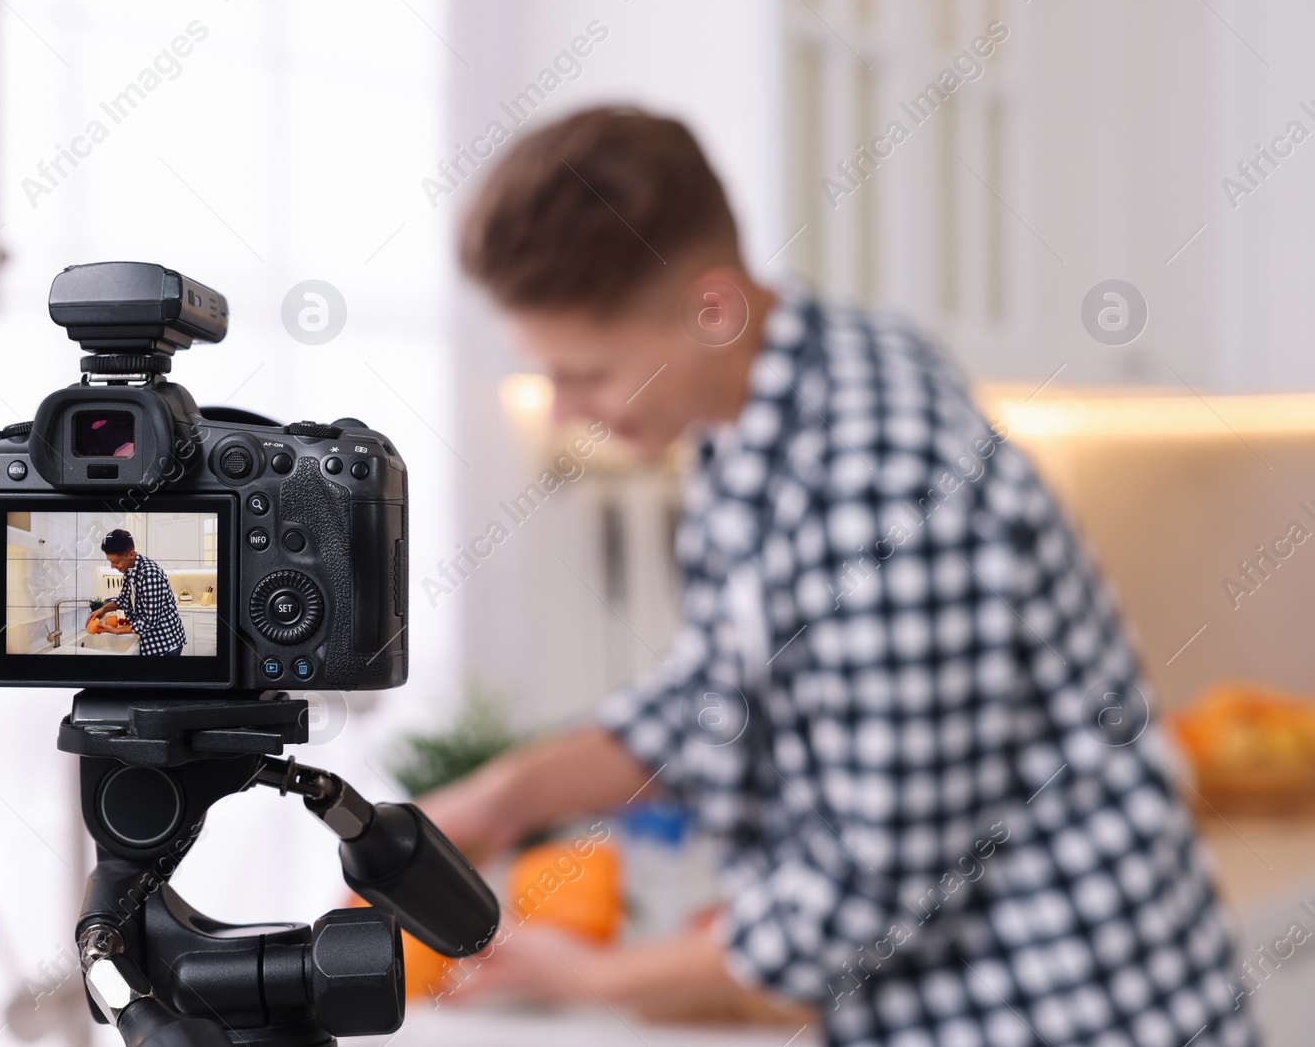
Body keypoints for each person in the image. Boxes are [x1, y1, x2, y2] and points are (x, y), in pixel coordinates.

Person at [420, 108, 1252, 1047]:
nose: (568, 411)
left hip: (1065, 1013)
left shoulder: (875, 485)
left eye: (590, 373)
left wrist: (603, 979)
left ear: (713, 305)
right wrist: (495, 800)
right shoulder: (778, 392)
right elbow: (716, 694)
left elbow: (871, 884)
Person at [89, 528, 186, 657]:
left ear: (132, 554)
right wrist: (103, 610)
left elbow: (150, 621)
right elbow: (123, 599)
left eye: (116, 561)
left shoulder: (150, 574)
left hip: (165, 645)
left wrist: (116, 631)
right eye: (111, 561)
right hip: (151, 642)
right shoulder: (129, 570)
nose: (113, 566)